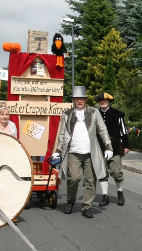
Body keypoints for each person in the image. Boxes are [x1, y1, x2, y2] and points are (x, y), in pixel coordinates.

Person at [51, 86, 113, 219]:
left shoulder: (94, 112)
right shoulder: (67, 114)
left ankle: (87, 206)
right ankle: (70, 201)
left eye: (82, 98)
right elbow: (62, 134)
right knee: (73, 178)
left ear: (85, 100)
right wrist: (58, 151)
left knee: (90, 180)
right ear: (73, 100)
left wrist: (108, 146)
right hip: (74, 152)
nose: (79, 101)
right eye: (77, 98)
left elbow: (102, 130)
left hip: (90, 152)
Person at [95, 92, 130, 206]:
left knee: (116, 172)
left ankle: (120, 193)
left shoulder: (117, 114)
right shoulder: (95, 114)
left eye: (105, 100)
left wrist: (126, 146)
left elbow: (123, 131)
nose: (103, 102)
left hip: (114, 146)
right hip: (99, 147)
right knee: (102, 172)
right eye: (101, 101)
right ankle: (105, 196)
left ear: (109, 101)